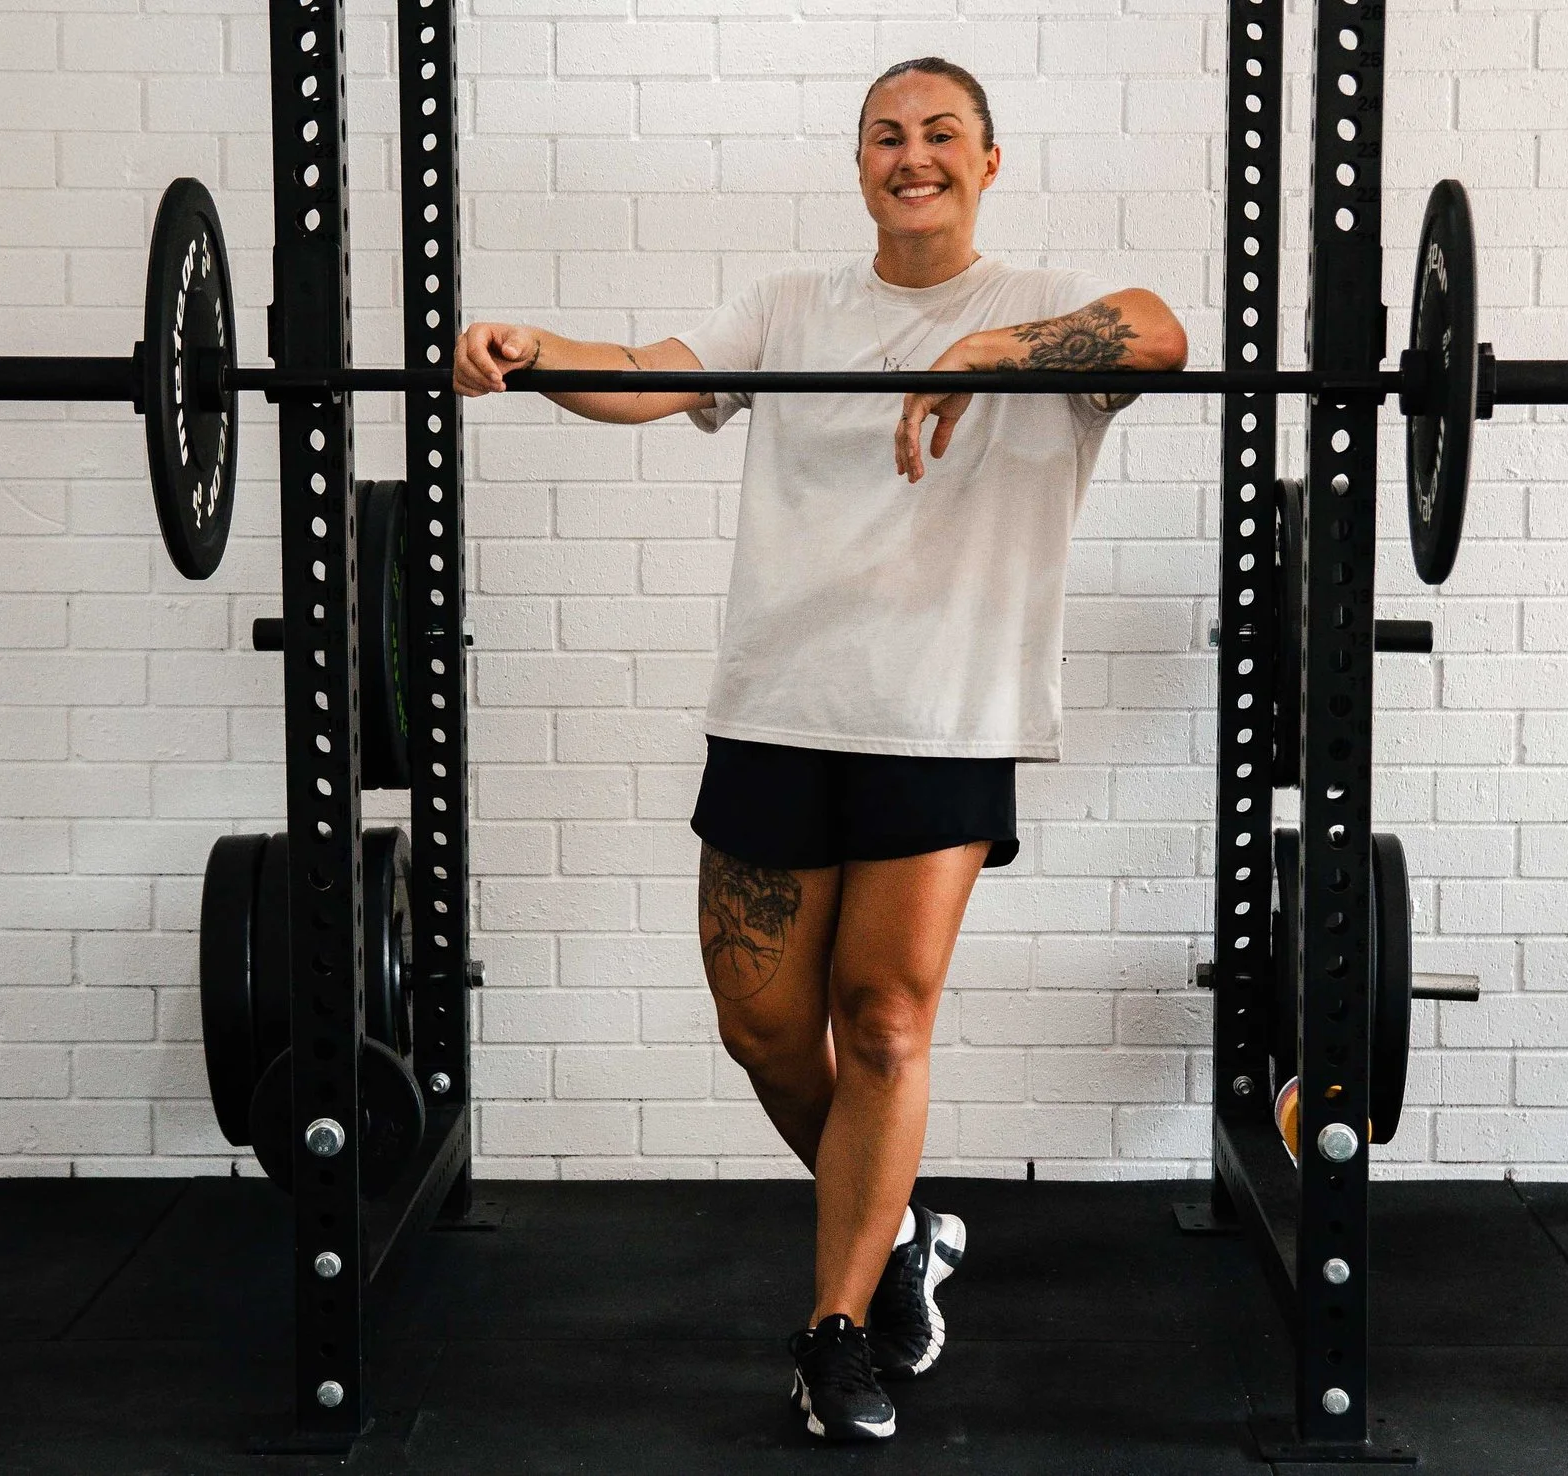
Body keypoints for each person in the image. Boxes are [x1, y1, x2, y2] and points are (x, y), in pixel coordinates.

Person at [453, 57, 1188, 1442]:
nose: (913, 156)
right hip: (777, 707)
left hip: (945, 718)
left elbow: (1159, 334)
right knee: (764, 1027)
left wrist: (984, 354)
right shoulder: (789, 309)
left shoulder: (1037, 307)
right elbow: (653, 380)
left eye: (942, 135)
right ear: (859, 164)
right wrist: (531, 351)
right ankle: (906, 1230)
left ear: (990, 161)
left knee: (886, 1018)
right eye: (886, 137)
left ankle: (835, 1333)